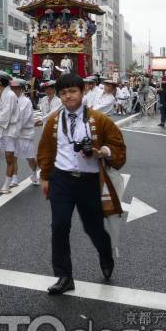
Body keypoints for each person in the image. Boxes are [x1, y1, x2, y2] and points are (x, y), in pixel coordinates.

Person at [37, 73, 126, 294]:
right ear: (59, 96)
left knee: (93, 228)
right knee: (59, 226)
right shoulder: (54, 122)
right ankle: (64, 276)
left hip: (89, 181)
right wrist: (45, 177)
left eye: (73, 91)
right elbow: (46, 151)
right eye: (64, 93)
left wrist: (101, 152)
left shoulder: (99, 119)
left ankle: (105, 254)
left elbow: (118, 148)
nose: (68, 96)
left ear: (82, 92)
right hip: (61, 180)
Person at [10, 78, 38, 186]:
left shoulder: (26, 102)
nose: (14, 90)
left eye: (16, 88)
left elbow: (22, 119)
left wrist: (13, 130)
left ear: (21, 89)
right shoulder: (10, 100)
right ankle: (14, 178)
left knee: (30, 158)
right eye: (12, 88)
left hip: (25, 134)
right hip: (14, 133)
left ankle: (34, 172)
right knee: (13, 157)